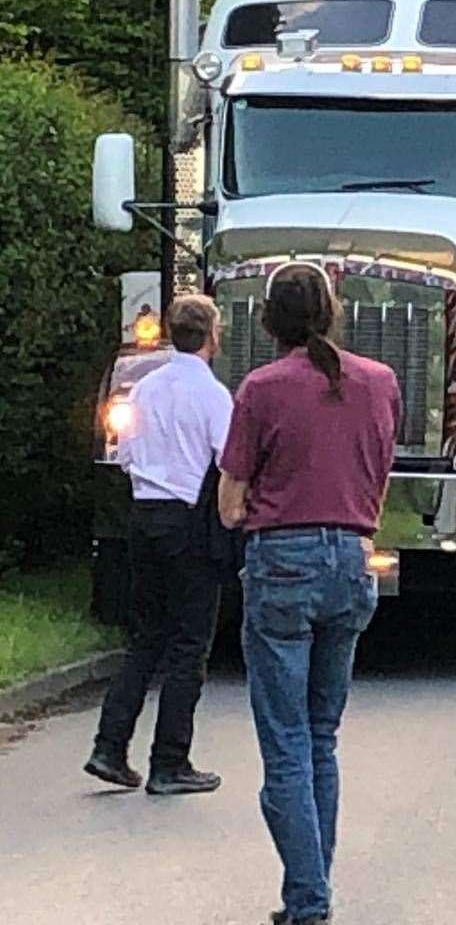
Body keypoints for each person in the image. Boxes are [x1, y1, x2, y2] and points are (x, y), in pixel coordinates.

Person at [218, 264, 399, 925]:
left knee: (287, 742)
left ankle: (308, 897)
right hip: (352, 557)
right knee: (322, 736)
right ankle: (310, 887)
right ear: (332, 313)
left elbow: (231, 503)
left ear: (269, 320)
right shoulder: (380, 383)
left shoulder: (261, 390)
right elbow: (379, 470)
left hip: (283, 561)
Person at [85, 295, 233, 794]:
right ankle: (170, 762)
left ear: (172, 333)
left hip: (143, 515)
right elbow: (230, 460)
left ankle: (109, 747)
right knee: (190, 644)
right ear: (212, 336)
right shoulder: (213, 396)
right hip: (188, 519)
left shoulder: (143, 388)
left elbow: (125, 454)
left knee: (145, 637)